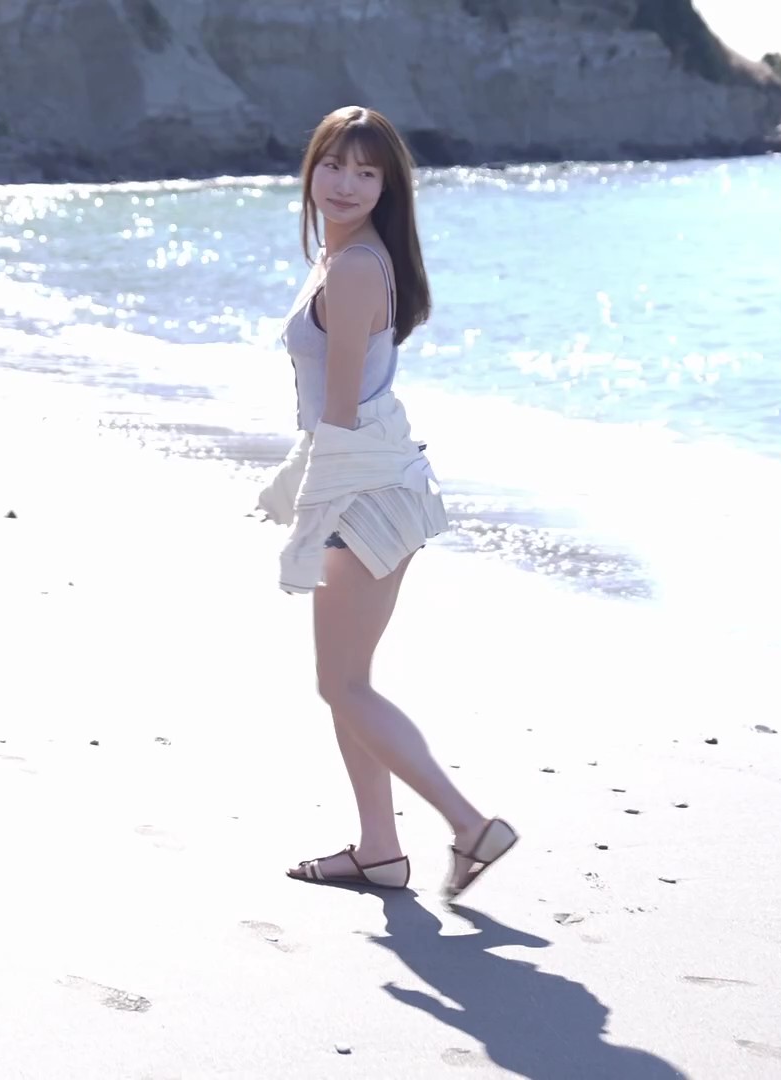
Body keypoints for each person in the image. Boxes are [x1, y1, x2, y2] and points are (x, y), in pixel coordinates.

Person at [260, 106, 517, 903]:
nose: (345, 184)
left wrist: (308, 523)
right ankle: (379, 851)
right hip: (370, 477)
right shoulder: (344, 257)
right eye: (334, 165)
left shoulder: (355, 268)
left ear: (387, 186)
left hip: (361, 490)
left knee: (344, 687)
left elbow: (339, 414)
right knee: (347, 681)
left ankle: (471, 826)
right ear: (311, 168)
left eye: (366, 172)